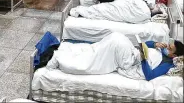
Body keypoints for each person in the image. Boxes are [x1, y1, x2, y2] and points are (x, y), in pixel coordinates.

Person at [47, 32, 184, 81]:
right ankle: (72, 53)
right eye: (169, 45)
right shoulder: (162, 51)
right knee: (115, 38)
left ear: (174, 55)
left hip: (130, 62)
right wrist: (154, 44)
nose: (167, 47)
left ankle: (61, 60)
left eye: (170, 48)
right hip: (132, 53)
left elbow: (149, 75)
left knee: (115, 42)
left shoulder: (167, 65)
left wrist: (143, 58)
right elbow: (145, 45)